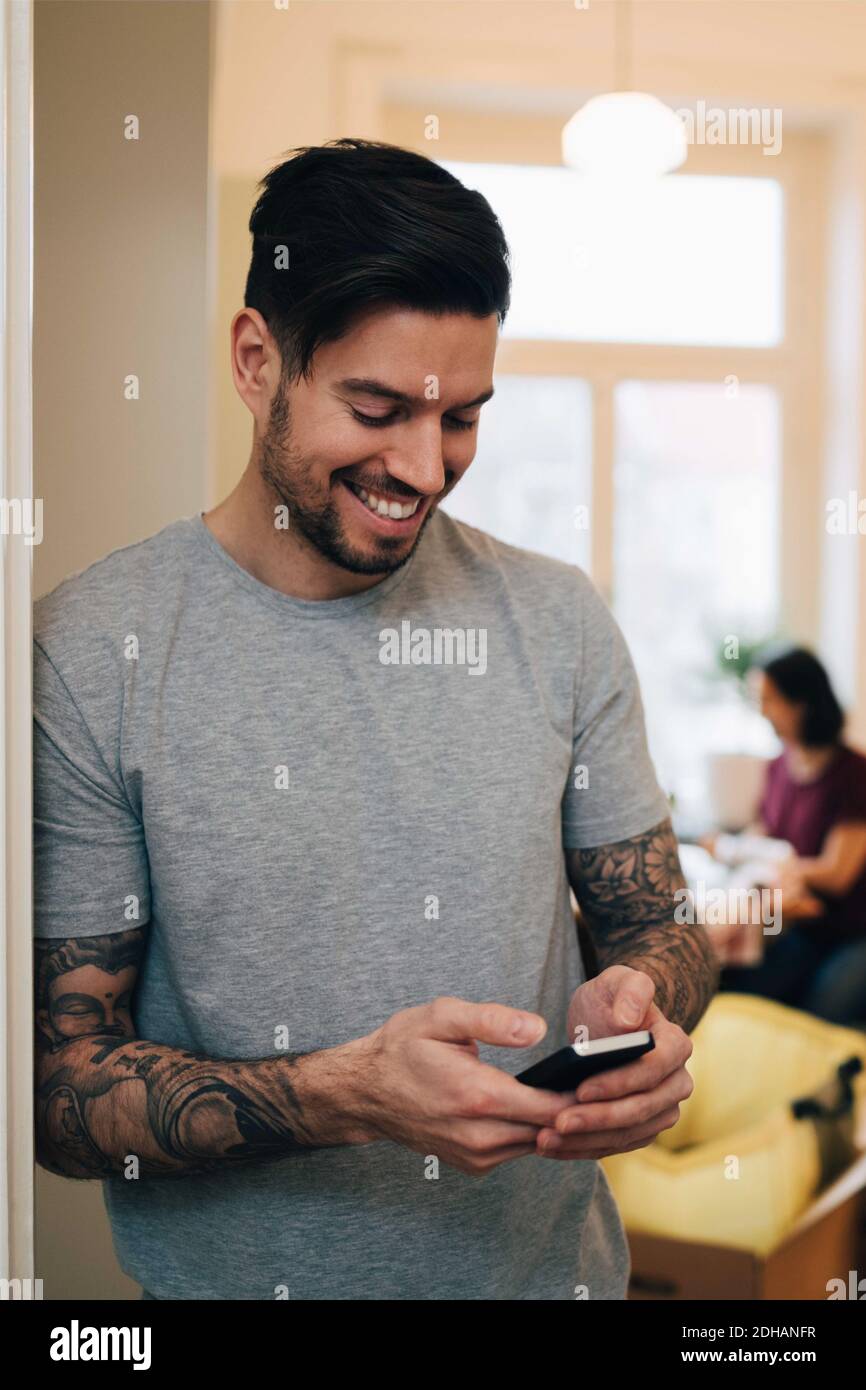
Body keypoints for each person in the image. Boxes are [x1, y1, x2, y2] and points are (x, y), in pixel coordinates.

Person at [33, 138, 716, 1302]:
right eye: (376, 406)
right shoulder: (92, 653)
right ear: (259, 360)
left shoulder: (554, 620)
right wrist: (341, 1092)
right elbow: (61, 1092)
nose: (422, 466)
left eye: (459, 418)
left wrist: (646, 1006)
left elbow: (659, 922)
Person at [709, 646, 866, 1023]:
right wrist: (731, 849)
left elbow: (836, 874)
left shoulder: (854, 774)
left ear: (802, 704)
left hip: (851, 934)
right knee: (740, 994)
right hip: (801, 928)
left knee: (818, 1015)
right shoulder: (780, 766)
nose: (762, 712)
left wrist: (776, 865)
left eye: (769, 700)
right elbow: (763, 834)